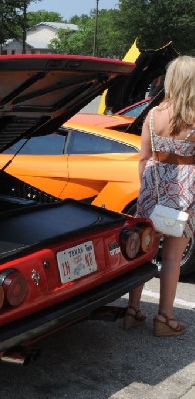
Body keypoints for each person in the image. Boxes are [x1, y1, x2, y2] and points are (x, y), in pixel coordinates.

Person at [124, 56, 195, 337]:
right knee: (172, 259)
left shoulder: (153, 115)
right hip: (183, 193)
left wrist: (150, 190)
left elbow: (143, 159)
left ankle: (132, 311)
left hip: (152, 189)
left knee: (144, 252)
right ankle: (164, 317)